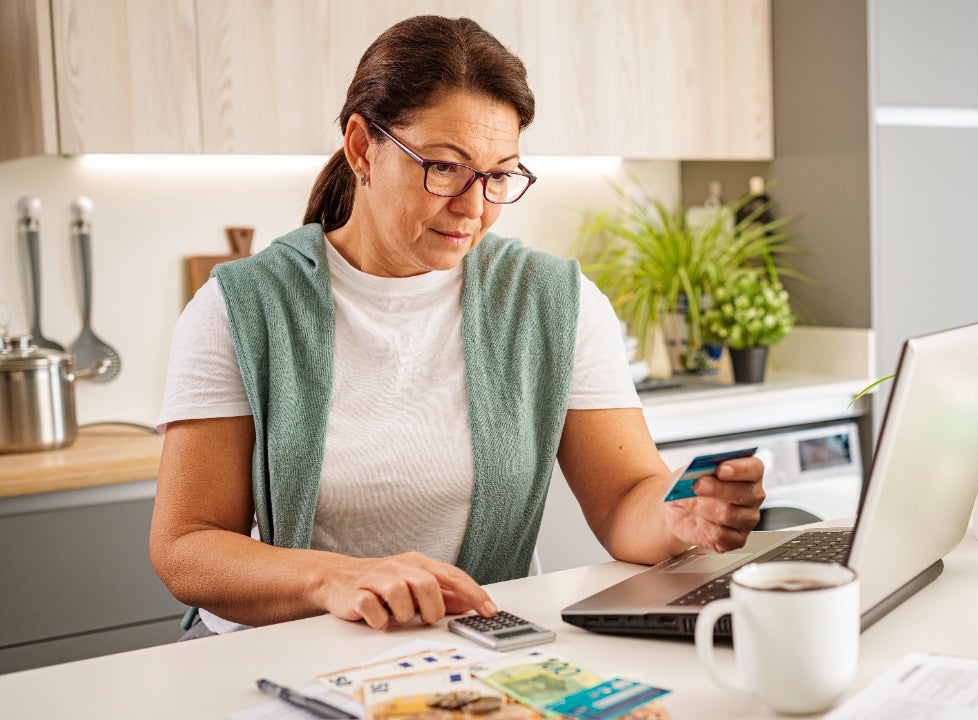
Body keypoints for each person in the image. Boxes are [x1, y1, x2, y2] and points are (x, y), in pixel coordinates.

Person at [150, 15, 765, 638]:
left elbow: (626, 496)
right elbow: (186, 546)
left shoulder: (553, 302)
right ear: (363, 147)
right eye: (444, 167)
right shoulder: (241, 307)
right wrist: (333, 578)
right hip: (274, 656)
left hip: (480, 653)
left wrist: (678, 516)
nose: (474, 208)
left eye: (499, 175)